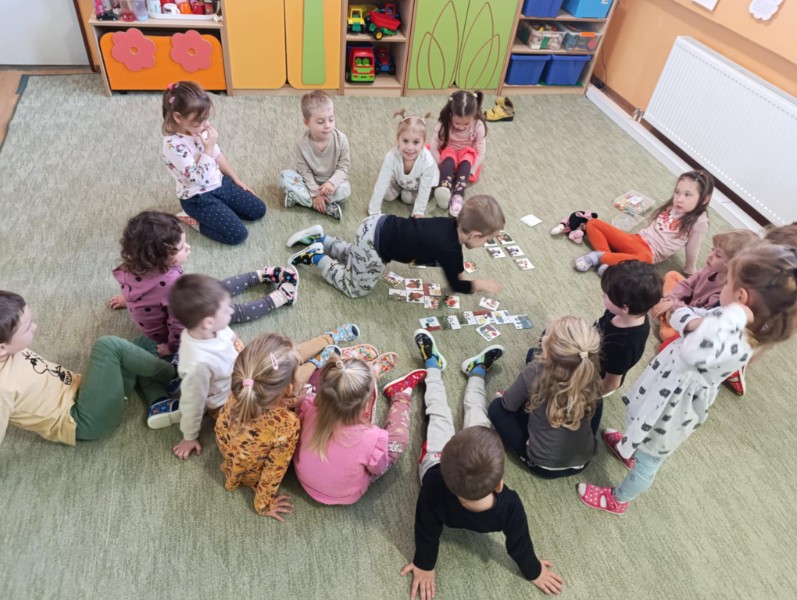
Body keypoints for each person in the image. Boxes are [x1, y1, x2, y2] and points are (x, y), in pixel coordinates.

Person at [577, 242, 797, 515]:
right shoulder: (722, 318)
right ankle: (630, 444)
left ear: (740, 300)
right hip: (665, 384)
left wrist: (708, 318)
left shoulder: (737, 342)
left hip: (673, 409)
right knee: (639, 418)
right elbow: (692, 316)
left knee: (649, 460)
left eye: (727, 283)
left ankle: (619, 499)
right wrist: (685, 315)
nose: (722, 288)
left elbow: (693, 349)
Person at [402, 330, 563, 599]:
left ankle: (433, 365)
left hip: (436, 461)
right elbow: (519, 542)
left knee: (438, 412)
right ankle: (476, 371)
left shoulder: (434, 484)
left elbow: (426, 528)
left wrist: (425, 564)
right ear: (499, 484)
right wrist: (533, 571)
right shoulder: (509, 505)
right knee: (475, 411)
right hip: (444, 461)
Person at [108, 211, 298, 357]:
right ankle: (282, 296)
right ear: (158, 258)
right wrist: (172, 348)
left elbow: (142, 291)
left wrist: (128, 300)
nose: (188, 247)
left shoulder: (133, 264)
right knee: (230, 311)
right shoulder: (172, 285)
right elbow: (178, 325)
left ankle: (261, 275)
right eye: (181, 248)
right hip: (177, 328)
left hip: (172, 307)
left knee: (213, 289)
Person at [0, 290, 177, 446]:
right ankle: (175, 374)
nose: (35, 327)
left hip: (85, 392)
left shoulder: (8, 347)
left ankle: (158, 400)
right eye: (27, 328)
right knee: (109, 346)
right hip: (82, 419)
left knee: (144, 343)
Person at [285, 195, 505, 299]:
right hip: (375, 246)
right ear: (475, 235)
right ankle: (316, 257)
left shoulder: (448, 223)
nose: (485, 244)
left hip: (376, 223)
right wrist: (480, 284)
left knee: (355, 254)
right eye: (487, 240)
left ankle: (322, 239)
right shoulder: (451, 251)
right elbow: (457, 285)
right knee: (355, 288)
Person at [293, 359, 426, 505]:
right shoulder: (373, 437)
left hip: (303, 479)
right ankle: (400, 394)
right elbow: (377, 468)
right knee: (398, 441)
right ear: (366, 404)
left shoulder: (310, 408)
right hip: (344, 494)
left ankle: (345, 383)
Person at [489, 316, 602, 478]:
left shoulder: (535, 371)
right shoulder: (591, 375)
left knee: (496, 408)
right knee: (596, 400)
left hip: (543, 465)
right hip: (583, 461)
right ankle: (584, 438)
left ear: (548, 348)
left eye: (546, 335)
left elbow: (508, 405)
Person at [161, 81, 266, 245]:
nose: (207, 125)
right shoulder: (173, 146)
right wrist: (208, 148)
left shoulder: (200, 130)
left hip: (220, 184)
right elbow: (197, 178)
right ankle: (193, 219)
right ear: (178, 117)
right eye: (200, 121)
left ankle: (222, 210)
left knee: (258, 210)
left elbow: (218, 156)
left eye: (206, 119)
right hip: (198, 198)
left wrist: (236, 180)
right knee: (237, 235)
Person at [574, 170, 714, 276]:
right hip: (636, 239)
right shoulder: (674, 204)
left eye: (688, 194)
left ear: (704, 199)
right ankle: (608, 262)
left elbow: (693, 247)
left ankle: (599, 257)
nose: (679, 198)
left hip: (649, 253)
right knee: (593, 223)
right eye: (677, 192)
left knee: (645, 260)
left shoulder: (700, 222)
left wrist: (690, 270)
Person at [278, 90, 351, 220]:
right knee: (283, 177)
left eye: (331, 119)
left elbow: (343, 168)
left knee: (345, 190)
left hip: (331, 182)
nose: (328, 125)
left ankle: (301, 199)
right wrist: (315, 193)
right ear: (307, 123)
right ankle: (322, 206)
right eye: (320, 122)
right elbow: (304, 171)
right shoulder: (302, 144)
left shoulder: (342, 140)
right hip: (309, 182)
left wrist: (332, 183)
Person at [367, 111, 439, 218]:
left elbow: (425, 188)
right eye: (405, 141)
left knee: (407, 198)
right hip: (402, 180)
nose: (410, 148)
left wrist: (419, 211)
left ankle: (430, 193)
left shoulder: (427, 162)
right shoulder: (392, 156)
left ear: (423, 142)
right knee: (387, 195)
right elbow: (381, 182)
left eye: (416, 142)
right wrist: (374, 210)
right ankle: (400, 186)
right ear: (398, 139)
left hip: (421, 185)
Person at [430, 90, 487, 217]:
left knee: (466, 162)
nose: (461, 127)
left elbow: (481, 151)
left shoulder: (478, 125)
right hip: (448, 152)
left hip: (466, 155)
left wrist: (472, 169)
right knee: (448, 160)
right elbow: (434, 143)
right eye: (457, 123)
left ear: (474, 116)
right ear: (451, 114)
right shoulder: (444, 122)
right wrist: (438, 162)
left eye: (466, 124)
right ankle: (445, 187)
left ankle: (458, 195)